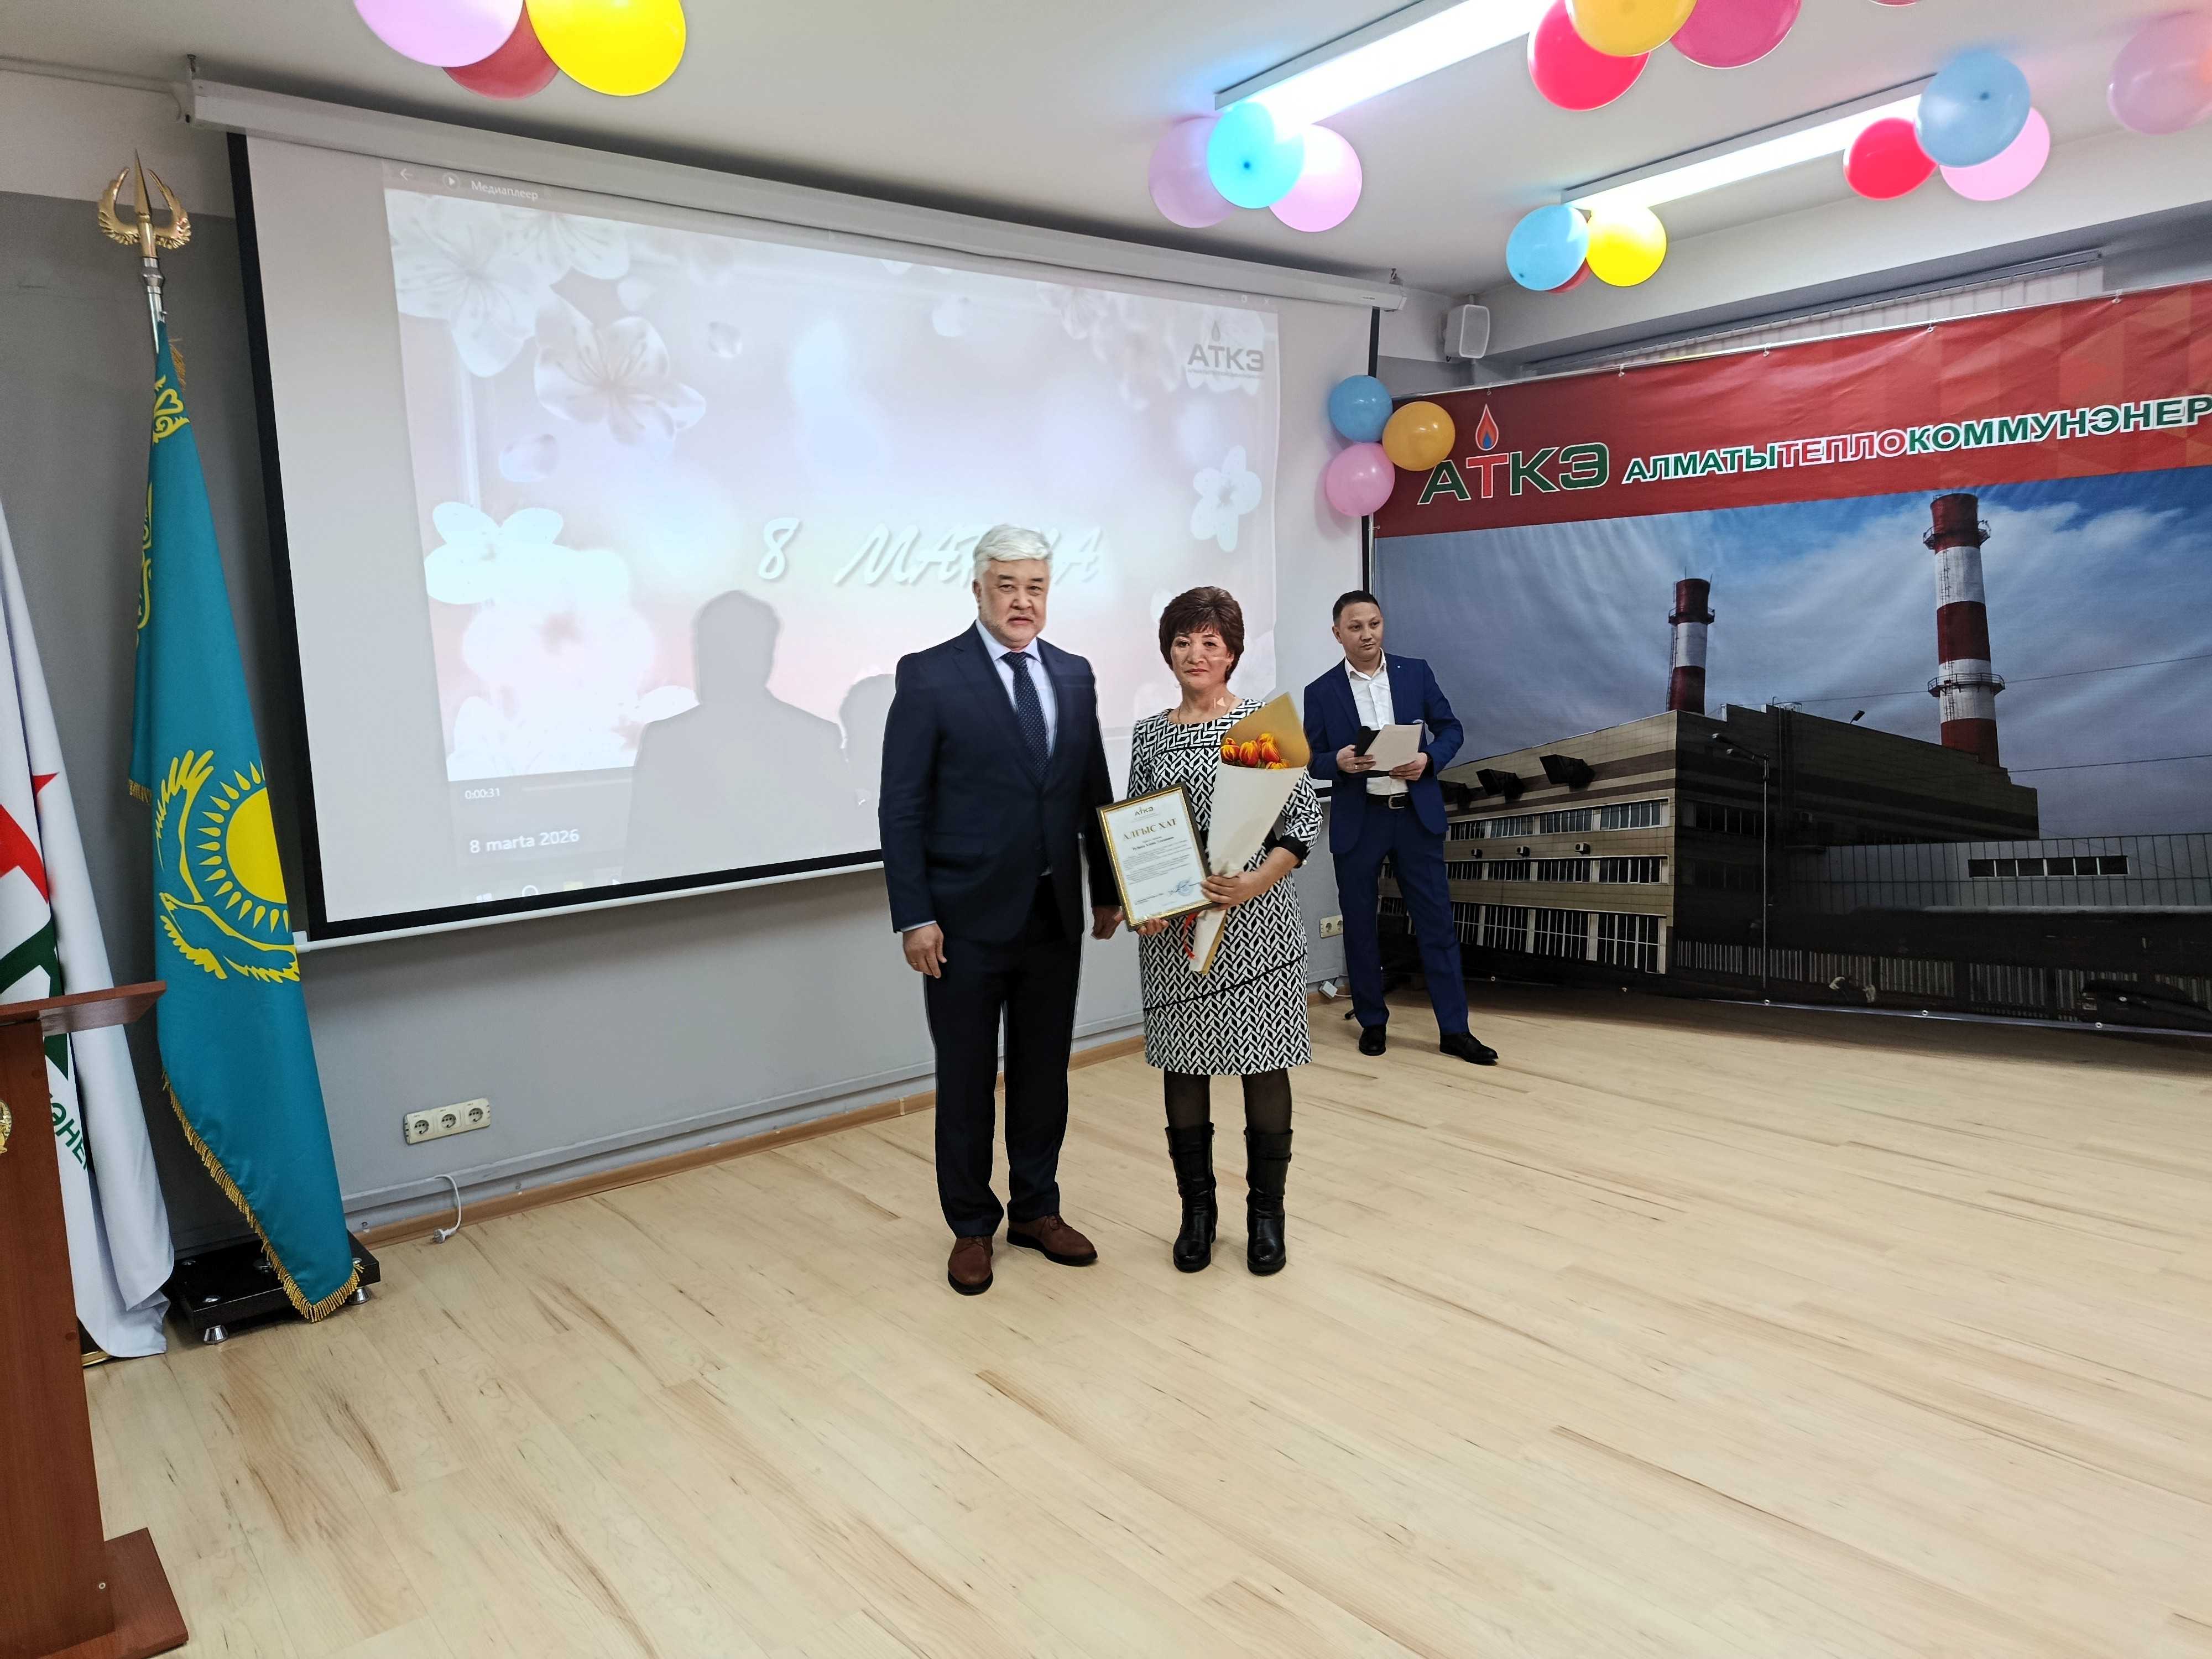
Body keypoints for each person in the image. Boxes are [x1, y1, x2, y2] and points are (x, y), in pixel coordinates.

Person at [878, 525, 1121, 1296]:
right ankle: (971, 1226)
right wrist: (914, 915)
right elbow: (902, 807)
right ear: (979, 589)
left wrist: (1108, 887)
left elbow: (1091, 787)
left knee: (1044, 1074)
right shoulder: (929, 675)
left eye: (1035, 587)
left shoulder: (1074, 674)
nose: (1023, 601)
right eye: (1008, 586)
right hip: (961, 922)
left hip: (1054, 915)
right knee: (967, 1079)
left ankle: (1037, 1210)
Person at [1127, 587, 1321, 1276]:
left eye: (1210, 642)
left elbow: (1302, 824)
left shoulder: (1262, 724)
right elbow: (1139, 826)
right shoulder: (1149, 734)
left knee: (1264, 1064)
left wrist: (1253, 882)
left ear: (1232, 652)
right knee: (1183, 1066)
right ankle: (1196, 1214)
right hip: (1176, 935)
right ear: (1168, 652)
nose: (1196, 654)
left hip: (1256, 923)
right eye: (1183, 642)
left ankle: (1267, 1215)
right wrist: (1142, 897)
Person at [1303, 590, 1499, 1065]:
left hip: (1414, 815)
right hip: (1360, 821)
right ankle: (1373, 1022)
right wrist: (1337, 762)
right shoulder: (1321, 691)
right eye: (1355, 627)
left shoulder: (1416, 672)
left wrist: (1429, 759)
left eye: (1374, 624)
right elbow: (1309, 758)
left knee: (1436, 925)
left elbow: (1451, 729)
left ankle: (1455, 1030)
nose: (1367, 634)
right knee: (1360, 927)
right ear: (1337, 634)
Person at [626, 591, 865, 881]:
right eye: (703, 651)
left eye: (718, 651)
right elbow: (641, 860)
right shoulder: (664, 743)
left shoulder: (817, 741)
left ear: (763, 659)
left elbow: (848, 851)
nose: (704, 665)